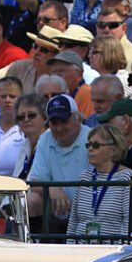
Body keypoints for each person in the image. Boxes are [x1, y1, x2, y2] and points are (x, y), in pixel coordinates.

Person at [26, 95, 91, 226]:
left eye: (64, 121)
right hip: (58, 210)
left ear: (77, 118)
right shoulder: (45, 138)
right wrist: (51, 188)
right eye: (54, 122)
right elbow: (35, 182)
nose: (59, 128)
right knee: (29, 201)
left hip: (89, 209)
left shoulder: (92, 138)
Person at [67, 122, 132, 242]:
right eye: (88, 145)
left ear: (113, 149)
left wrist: (121, 250)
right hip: (81, 248)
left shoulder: (127, 177)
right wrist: (70, 246)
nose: (90, 149)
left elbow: (130, 222)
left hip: (112, 249)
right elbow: (73, 220)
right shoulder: (84, 177)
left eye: (96, 145)